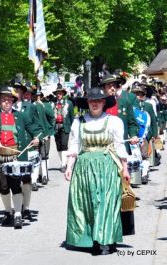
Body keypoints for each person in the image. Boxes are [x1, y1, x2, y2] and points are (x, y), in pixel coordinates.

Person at [64, 87, 130, 255]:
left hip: (107, 166)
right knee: (85, 203)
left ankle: (105, 240)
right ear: (87, 103)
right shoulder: (79, 121)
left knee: (105, 203)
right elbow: (74, 145)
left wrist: (125, 169)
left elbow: (119, 145)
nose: (94, 104)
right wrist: (69, 166)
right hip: (84, 167)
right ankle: (89, 238)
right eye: (91, 101)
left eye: (98, 101)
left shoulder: (113, 121)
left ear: (103, 103)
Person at [0, 85, 42, 229]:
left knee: (15, 185)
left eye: (9, 99)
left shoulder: (21, 116)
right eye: (3, 99)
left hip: (16, 155)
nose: (6, 102)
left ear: (13, 101)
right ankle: (8, 211)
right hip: (0, 156)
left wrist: (37, 137)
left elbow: (34, 128)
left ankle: (18, 215)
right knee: (3, 186)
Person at [52, 84, 74, 172]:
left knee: (64, 145)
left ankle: (64, 165)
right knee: (58, 146)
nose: (58, 95)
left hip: (65, 126)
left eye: (60, 93)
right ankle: (63, 162)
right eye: (57, 93)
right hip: (56, 126)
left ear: (63, 94)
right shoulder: (53, 103)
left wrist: (73, 128)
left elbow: (72, 116)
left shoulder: (69, 103)